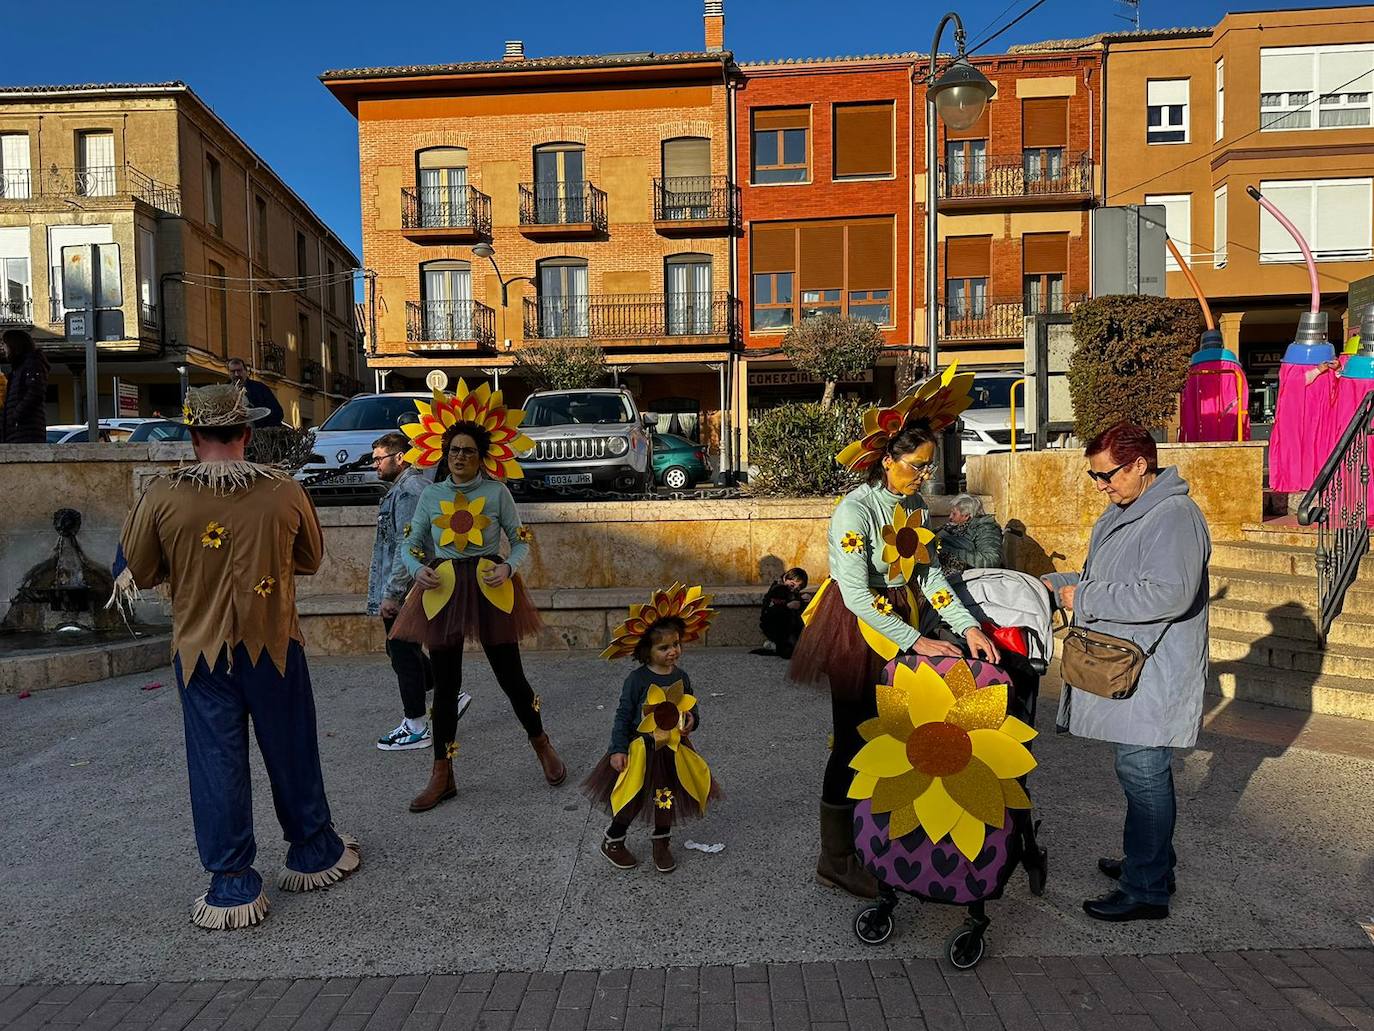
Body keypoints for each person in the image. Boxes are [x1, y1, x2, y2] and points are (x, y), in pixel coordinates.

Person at [110, 383, 358, 930]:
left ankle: (232, 882)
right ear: (247, 433)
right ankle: (313, 849)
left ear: (193, 436)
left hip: (200, 652)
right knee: (292, 748)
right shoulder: (283, 490)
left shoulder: (162, 494)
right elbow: (311, 559)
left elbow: (139, 571)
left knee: (215, 762)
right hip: (274, 644)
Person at [790, 367, 1002, 900]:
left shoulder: (909, 505)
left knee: (888, 739)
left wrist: (966, 626)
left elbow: (926, 574)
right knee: (851, 741)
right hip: (854, 630)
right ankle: (834, 858)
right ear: (888, 460)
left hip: (897, 622)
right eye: (915, 468)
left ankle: (871, 840)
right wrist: (918, 641)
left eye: (929, 469)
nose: (923, 479)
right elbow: (858, 595)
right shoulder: (854, 511)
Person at [1042, 422, 1210, 923]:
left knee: (1143, 771)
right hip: (1133, 664)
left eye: (1107, 475)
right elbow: (1116, 578)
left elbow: (1168, 593)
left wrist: (1085, 597)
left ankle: (1148, 889)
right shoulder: (1135, 510)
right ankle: (1150, 864)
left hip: (1151, 670)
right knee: (1137, 770)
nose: (1100, 485)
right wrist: (1061, 583)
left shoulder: (1173, 515)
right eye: (1094, 477)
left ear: (1141, 465)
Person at [389, 381, 566, 812]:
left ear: (481, 456)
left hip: (491, 587)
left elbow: (520, 539)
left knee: (512, 677)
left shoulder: (496, 492)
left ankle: (541, 743)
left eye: (468, 451)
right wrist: (418, 570)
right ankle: (442, 773)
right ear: (444, 455)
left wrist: (510, 565)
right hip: (444, 591)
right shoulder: (431, 495)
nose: (461, 457)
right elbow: (409, 544)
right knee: (446, 687)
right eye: (454, 451)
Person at [583, 585, 720, 874]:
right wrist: (617, 749)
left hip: (672, 750)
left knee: (666, 797)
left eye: (676, 644)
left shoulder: (681, 676)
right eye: (664, 647)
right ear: (646, 651)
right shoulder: (637, 680)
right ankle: (613, 840)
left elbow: (690, 706)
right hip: (640, 750)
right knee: (631, 797)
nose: (673, 651)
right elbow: (622, 716)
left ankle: (662, 842)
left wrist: (692, 720)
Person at [368, 431, 470, 750]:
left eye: (378, 459)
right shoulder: (404, 488)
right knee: (401, 649)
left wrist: (393, 593)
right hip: (409, 585)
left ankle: (415, 725)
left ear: (400, 458)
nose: (374, 465)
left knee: (402, 653)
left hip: (409, 587)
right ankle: (448, 694)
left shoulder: (410, 491)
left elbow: (407, 547)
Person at [2, 328, 50, 444]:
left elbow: (35, 392)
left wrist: (16, 414)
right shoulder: (17, 369)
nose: (3, 349)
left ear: (14, 345)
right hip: (17, 432)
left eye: (4, 344)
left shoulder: (32, 363)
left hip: (26, 432)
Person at [936, 494, 1004, 574]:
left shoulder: (986, 530)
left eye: (954, 514)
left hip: (977, 577)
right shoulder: (952, 528)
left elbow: (991, 560)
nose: (950, 517)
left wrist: (954, 552)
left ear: (966, 516)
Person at [752, 567, 808, 658]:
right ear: (785, 578)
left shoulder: (788, 589)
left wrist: (802, 600)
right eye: (792, 585)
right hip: (776, 627)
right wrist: (787, 606)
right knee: (789, 653)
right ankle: (774, 645)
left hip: (788, 628)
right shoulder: (778, 589)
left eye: (798, 589)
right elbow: (769, 612)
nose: (793, 589)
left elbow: (794, 602)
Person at [227, 357, 284, 427]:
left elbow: (277, 413)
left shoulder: (260, 388)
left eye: (239, 371)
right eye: (233, 371)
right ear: (228, 373)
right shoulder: (225, 392)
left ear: (246, 371)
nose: (236, 374)